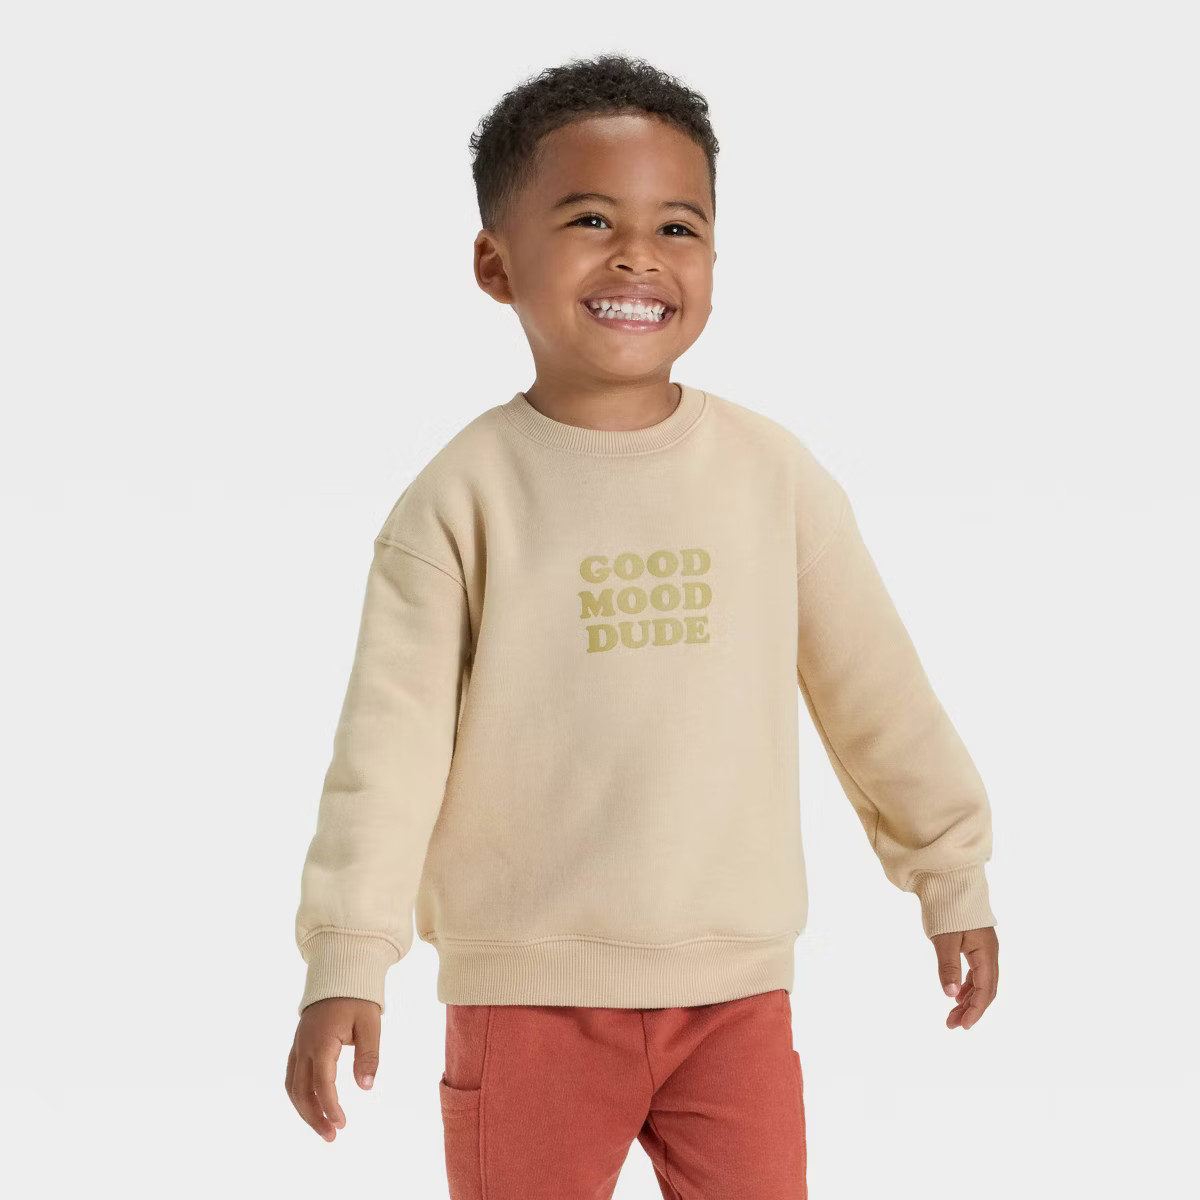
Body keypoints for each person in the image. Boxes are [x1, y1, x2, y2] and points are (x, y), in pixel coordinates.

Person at [284, 52, 999, 1200]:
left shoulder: (773, 476)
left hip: (737, 999)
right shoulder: (460, 498)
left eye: (677, 227)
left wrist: (949, 876)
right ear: (495, 263)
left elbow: (877, 693)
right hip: (528, 1000)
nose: (637, 256)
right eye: (590, 220)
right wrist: (346, 958)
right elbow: (389, 749)